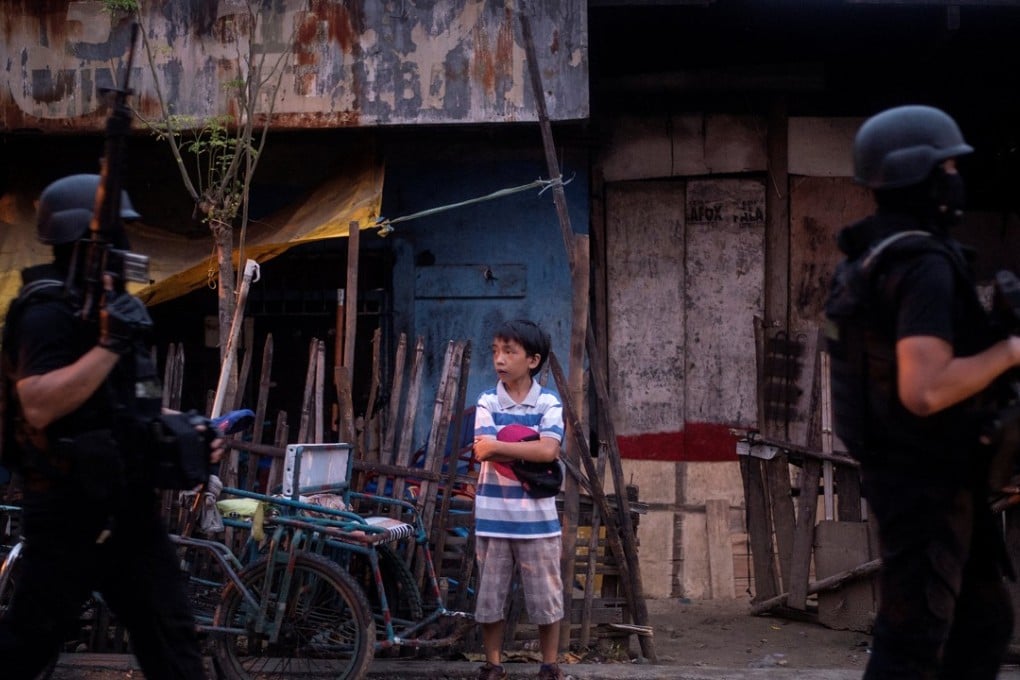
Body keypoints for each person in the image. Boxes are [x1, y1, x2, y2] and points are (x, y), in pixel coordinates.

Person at [0, 174, 222, 679]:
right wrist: (108, 345)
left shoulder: (118, 312)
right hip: (66, 514)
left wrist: (189, 429)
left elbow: (130, 406)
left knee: (175, 645)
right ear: (85, 243)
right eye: (117, 234)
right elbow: (37, 405)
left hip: (129, 513)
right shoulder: (46, 313)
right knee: (25, 649)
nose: (129, 246)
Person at [825, 105, 1018, 679]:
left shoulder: (872, 258)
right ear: (924, 177)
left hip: (920, 470)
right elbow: (926, 390)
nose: (957, 179)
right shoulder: (922, 265)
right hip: (925, 479)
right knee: (913, 641)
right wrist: (1010, 352)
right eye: (950, 168)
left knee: (981, 623)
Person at [471, 319, 565, 680]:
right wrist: (518, 448)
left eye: (510, 351)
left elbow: (549, 451)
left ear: (533, 359)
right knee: (490, 598)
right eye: (495, 350)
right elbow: (483, 450)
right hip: (494, 518)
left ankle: (549, 665)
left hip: (538, 522)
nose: (500, 358)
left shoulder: (549, 402)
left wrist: (499, 445)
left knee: (546, 598)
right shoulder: (487, 400)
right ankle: (494, 665)